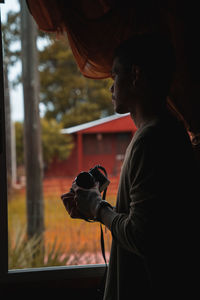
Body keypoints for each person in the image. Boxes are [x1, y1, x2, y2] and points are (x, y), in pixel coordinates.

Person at [61, 33, 198, 299]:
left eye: (114, 76)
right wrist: (94, 208)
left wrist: (98, 208)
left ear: (135, 75)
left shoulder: (152, 140)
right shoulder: (164, 132)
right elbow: (147, 224)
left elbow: (141, 236)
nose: (111, 87)